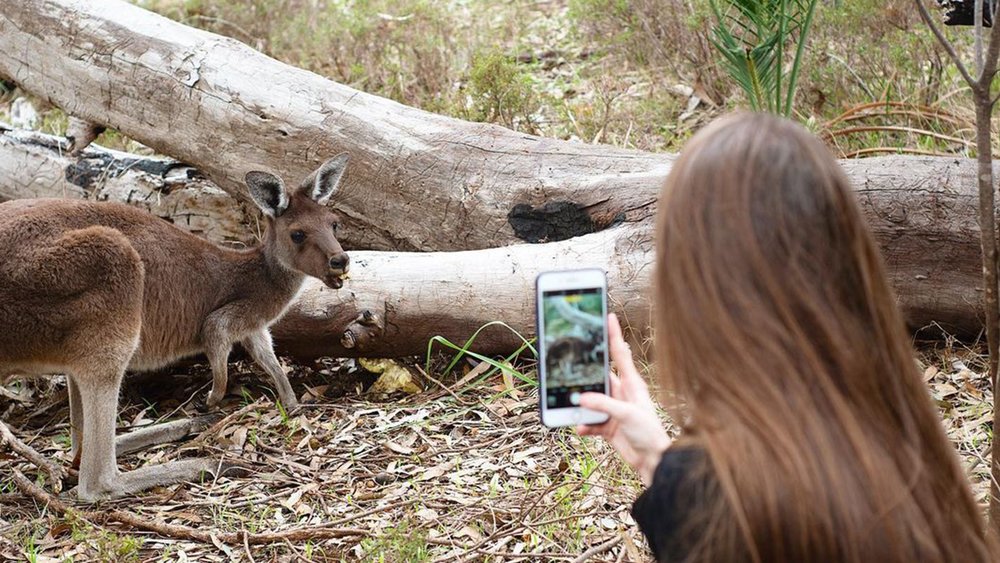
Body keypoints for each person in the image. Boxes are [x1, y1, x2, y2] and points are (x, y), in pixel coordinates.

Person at [578, 113, 994, 562]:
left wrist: (681, 488)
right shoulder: (910, 448)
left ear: (695, 291)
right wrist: (659, 465)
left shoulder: (728, 510)